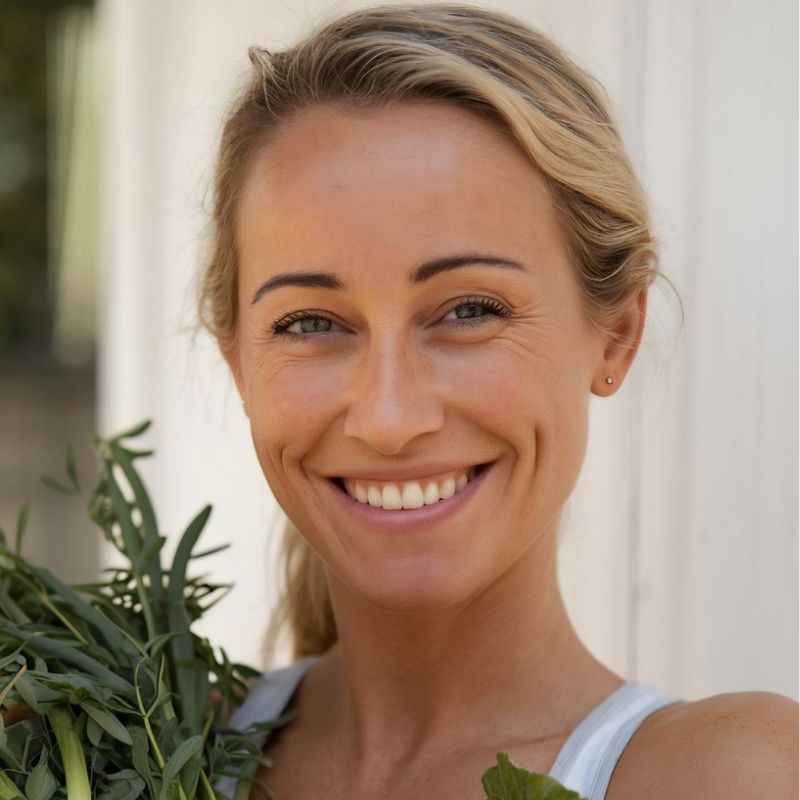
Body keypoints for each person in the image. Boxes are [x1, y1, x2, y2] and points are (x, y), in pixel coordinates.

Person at [199, 4, 798, 799]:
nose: (388, 417)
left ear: (616, 333)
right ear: (237, 359)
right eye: (310, 322)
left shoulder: (727, 774)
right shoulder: (135, 745)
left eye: (470, 311)